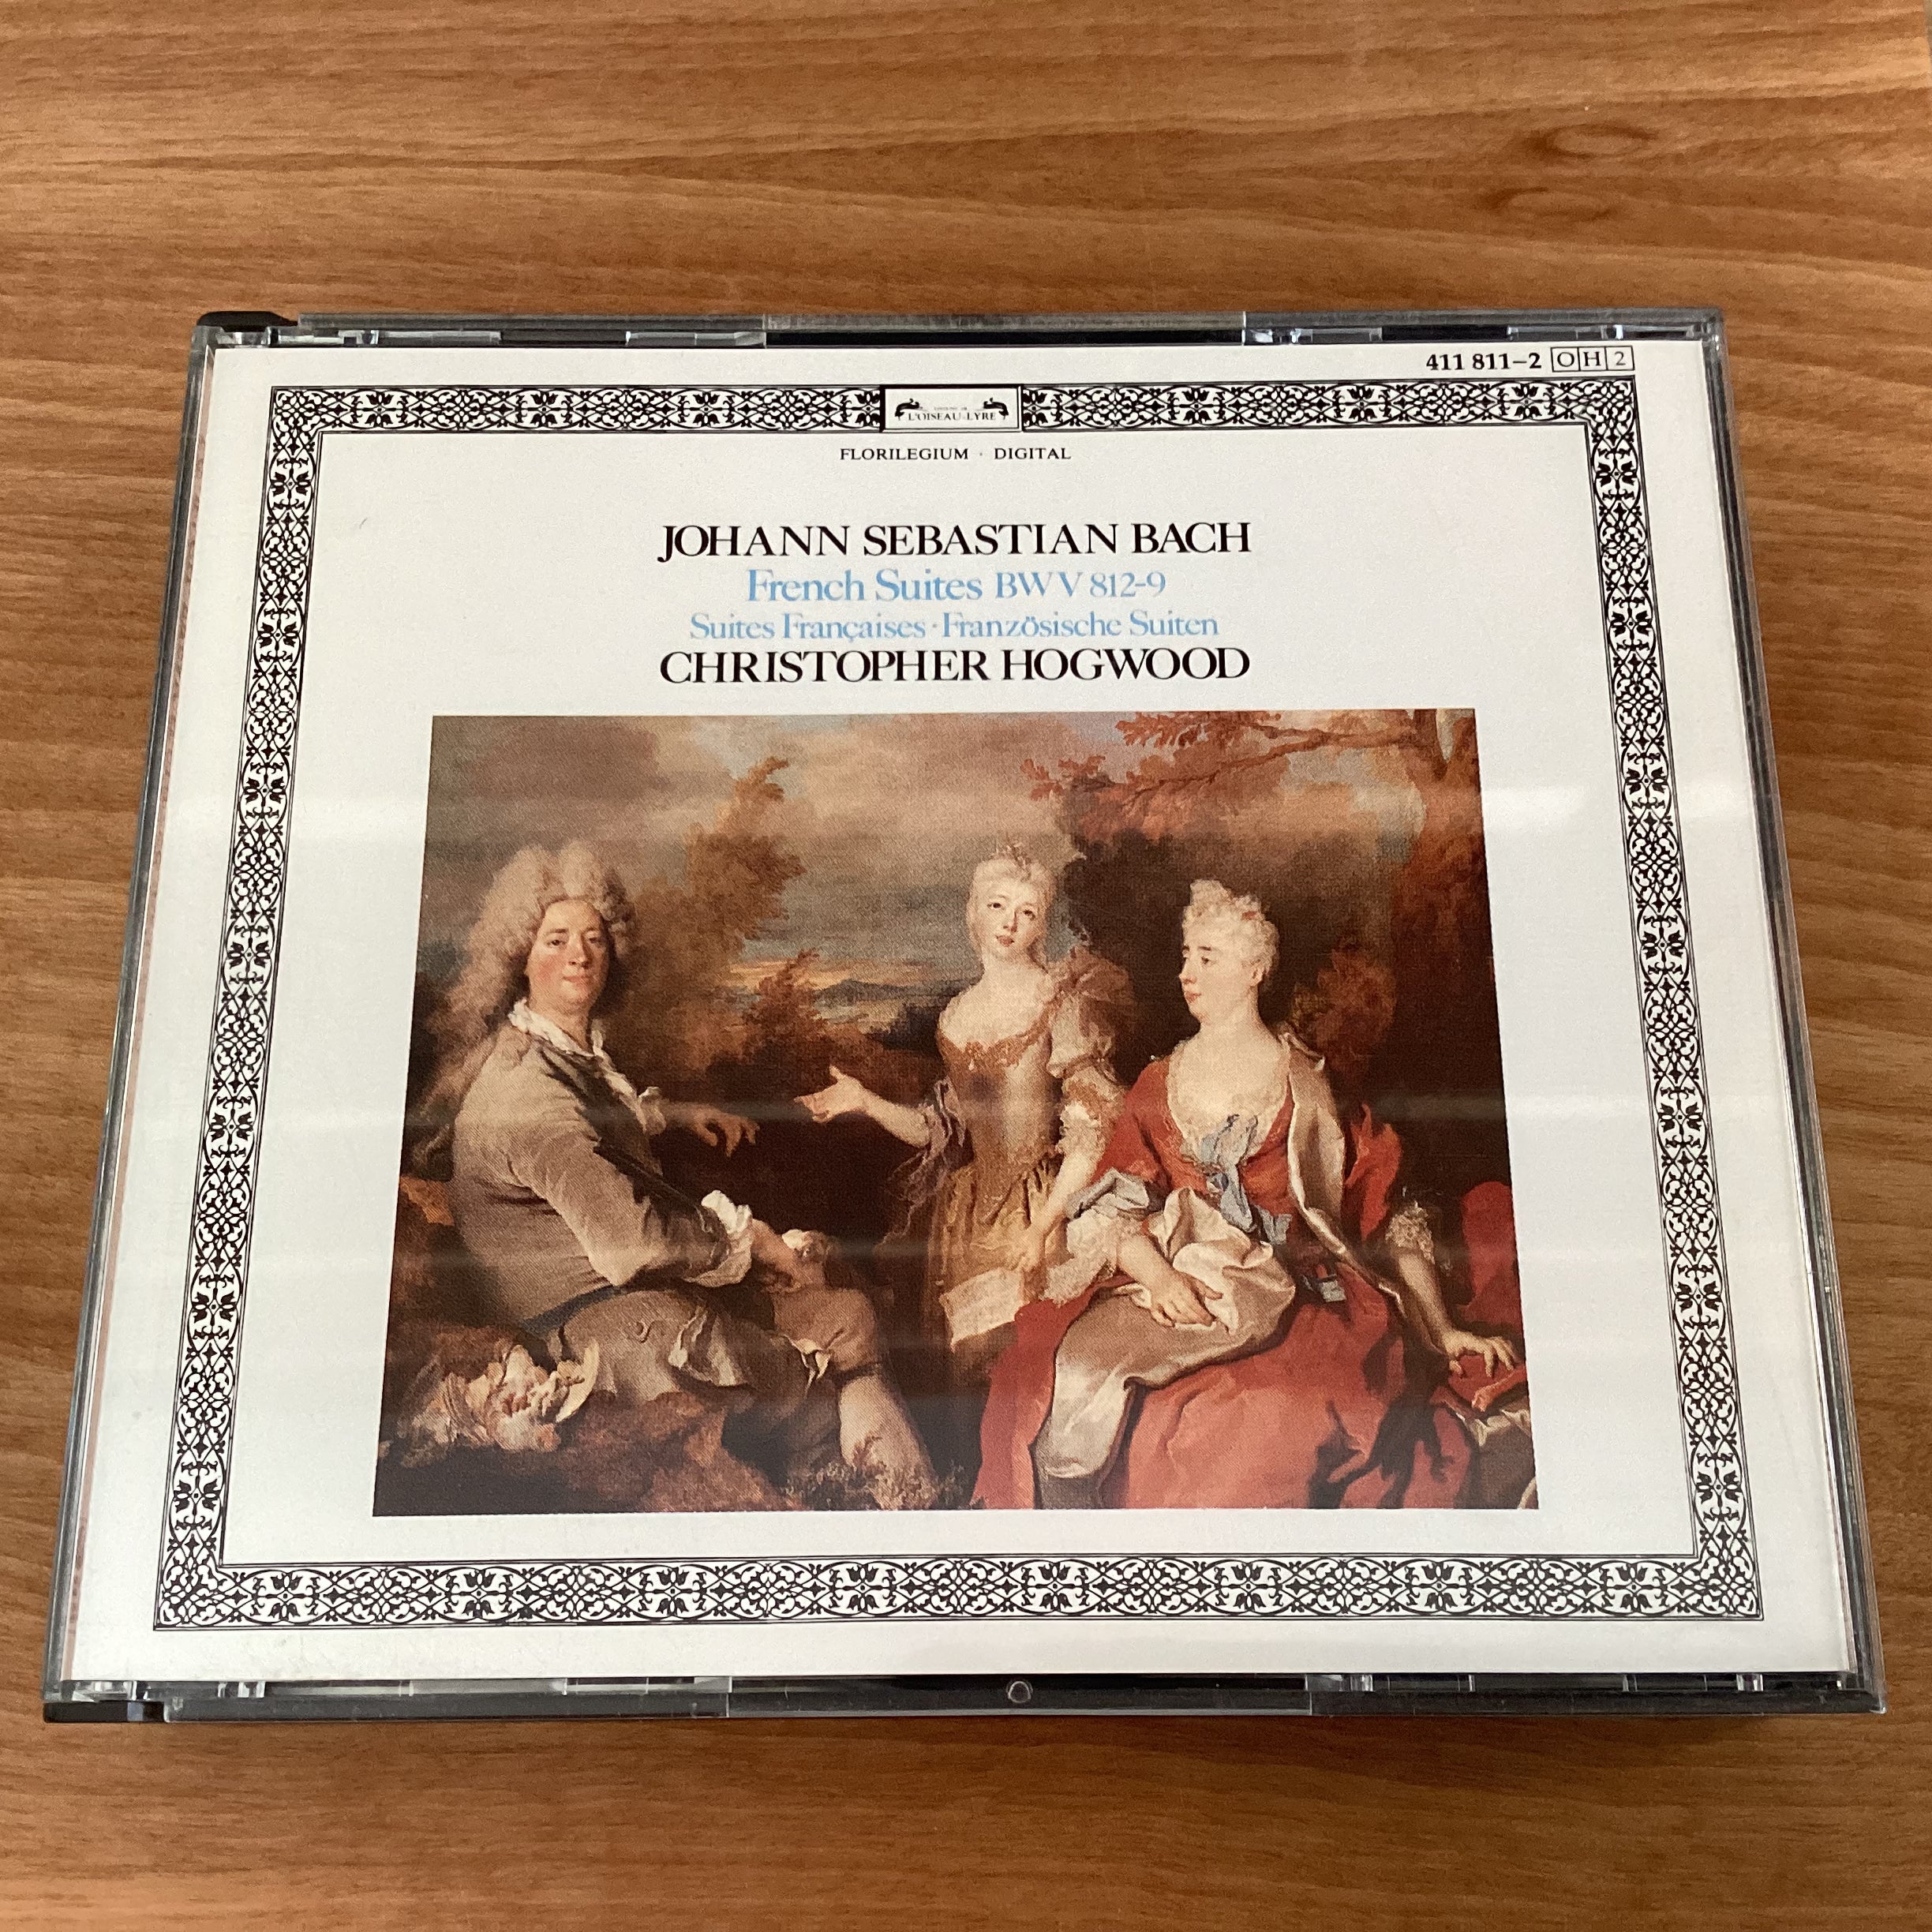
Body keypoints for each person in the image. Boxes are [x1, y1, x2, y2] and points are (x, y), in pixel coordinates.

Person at [975, 880, 1517, 1510]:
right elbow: (1114, 1208)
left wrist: (1442, 1328)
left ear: (1255, 969)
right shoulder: (1158, 1083)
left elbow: (1386, 1215)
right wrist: (1159, 1279)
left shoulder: (1311, 1089)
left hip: (1307, 1301)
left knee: (1256, 1424)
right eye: (1186, 955)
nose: (1187, 973)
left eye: (1207, 957)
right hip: (1186, 1290)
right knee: (1056, 1380)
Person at [435, 842, 932, 1503]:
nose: (579, 955)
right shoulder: (529, 1097)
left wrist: (670, 1113)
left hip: (624, 1303)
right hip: (601, 1334)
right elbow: (630, 1244)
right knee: (829, 1371)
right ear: (519, 955)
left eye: (593, 939)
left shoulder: (548, 1052)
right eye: (556, 940)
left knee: (848, 1312)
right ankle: (896, 1499)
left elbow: (595, 1117)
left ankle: (892, 1493)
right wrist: (748, 1242)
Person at [797, 843, 1125, 1376]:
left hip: (1046, 1208)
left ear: (1041, 926)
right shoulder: (956, 1017)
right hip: (965, 1220)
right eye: (997, 906)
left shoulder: (1060, 1001)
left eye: (1027, 912)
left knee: (1029, 1362)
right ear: (973, 913)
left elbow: (1092, 1132)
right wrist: (864, 1101)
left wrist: (1043, 1226)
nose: (1009, 924)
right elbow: (936, 1129)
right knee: (968, 1369)